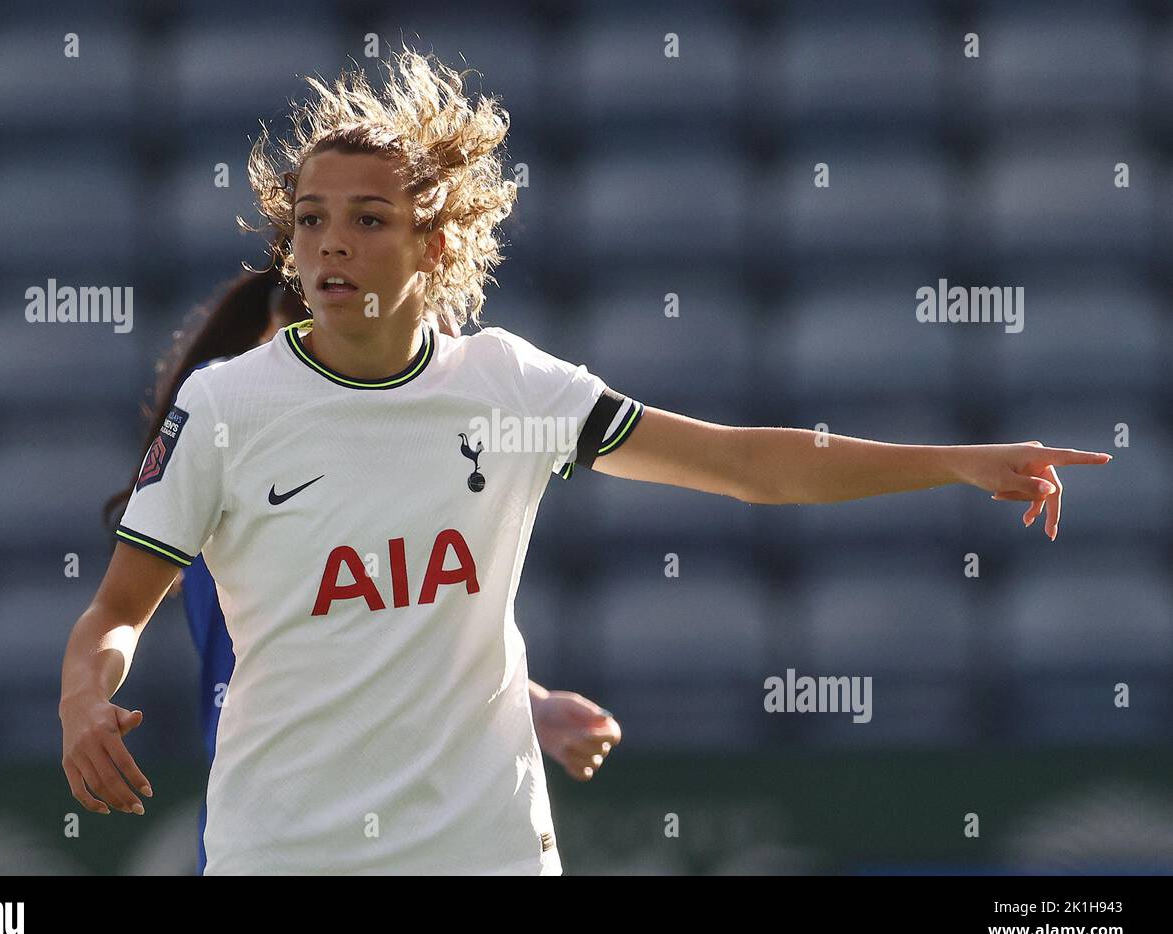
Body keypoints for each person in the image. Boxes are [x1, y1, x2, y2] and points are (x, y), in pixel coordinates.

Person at [60, 46, 1112, 875]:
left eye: (367, 219)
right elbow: (115, 612)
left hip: (486, 855)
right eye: (311, 221)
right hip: (284, 854)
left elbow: (744, 464)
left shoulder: (509, 387)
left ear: (434, 249)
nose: (329, 244)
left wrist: (955, 461)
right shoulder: (230, 403)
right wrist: (84, 699)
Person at [101, 269, 623, 874]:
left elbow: (394, 644)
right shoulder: (239, 495)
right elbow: (340, 656)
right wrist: (84, 695)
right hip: (292, 836)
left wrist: (528, 704)